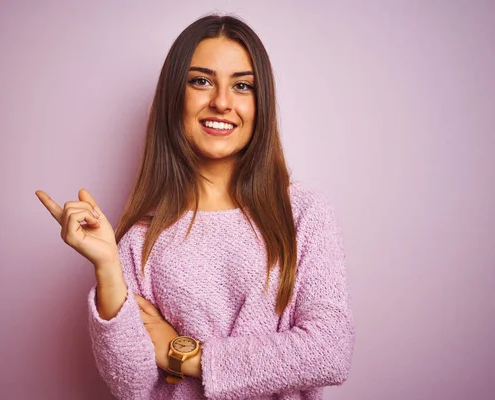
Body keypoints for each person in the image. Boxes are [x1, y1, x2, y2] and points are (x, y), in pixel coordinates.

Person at [36, 14, 354, 400]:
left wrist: (186, 357)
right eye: (201, 81)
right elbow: (131, 385)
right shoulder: (142, 239)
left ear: (261, 103)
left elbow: (330, 350)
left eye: (242, 86)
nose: (222, 102)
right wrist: (107, 267)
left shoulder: (302, 213)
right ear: (176, 97)